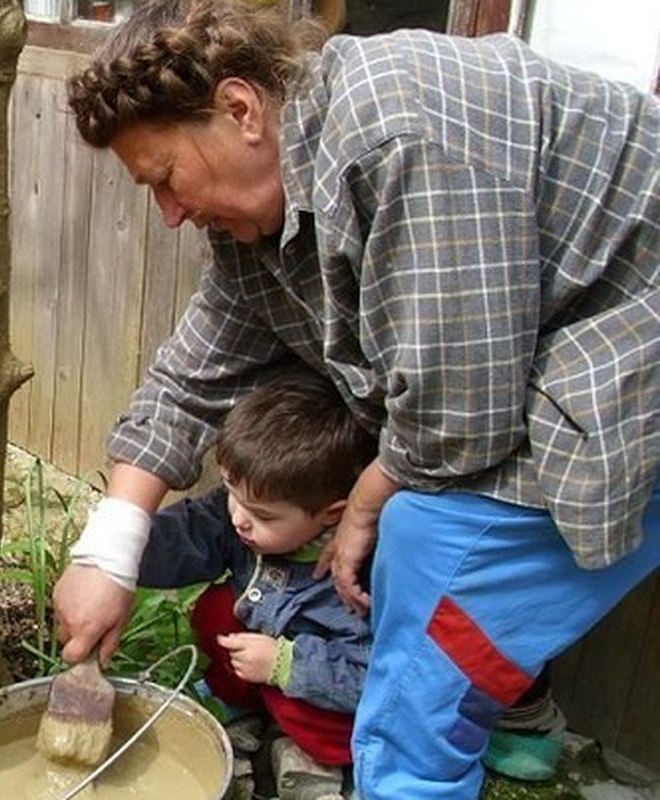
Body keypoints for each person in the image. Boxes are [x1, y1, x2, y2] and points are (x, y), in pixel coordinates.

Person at [52, 1, 660, 797]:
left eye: (166, 178)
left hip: (624, 356)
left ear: (240, 110)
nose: (168, 214)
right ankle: (493, 696)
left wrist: (369, 500)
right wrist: (110, 552)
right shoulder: (268, 210)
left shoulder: (395, 135)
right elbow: (190, 376)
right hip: (524, 380)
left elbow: (460, 420)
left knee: (418, 663)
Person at [138, 364, 375, 799]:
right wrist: (121, 551)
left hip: (313, 692)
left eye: (263, 515)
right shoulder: (245, 513)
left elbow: (368, 678)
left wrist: (287, 666)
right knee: (216, 610)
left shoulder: (354, 583)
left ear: (333, 514)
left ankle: (308, 757)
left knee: (330, 724)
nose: (238, 519)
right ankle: (240, 712)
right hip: (253, 664)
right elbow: (193, 532)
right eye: (231, 493)